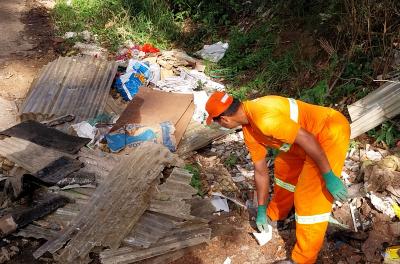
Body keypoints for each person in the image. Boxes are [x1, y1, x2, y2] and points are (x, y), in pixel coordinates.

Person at [205, 91, 350, 264]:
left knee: (309, 197)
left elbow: (307, 138)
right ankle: (275, 214)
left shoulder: (263, 118)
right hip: (300, 142)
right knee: (283, 170)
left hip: (328, 131)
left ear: (225, 120)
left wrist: (328, 175)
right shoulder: (249, 129)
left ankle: (304, 259)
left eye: (216, 122)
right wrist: (261, 209)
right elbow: (260, 171)